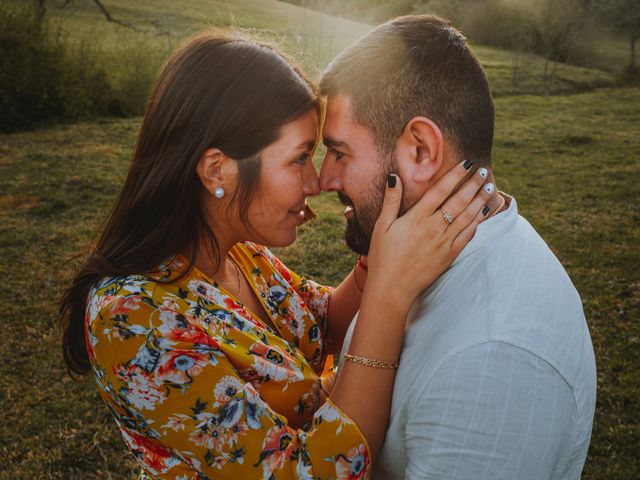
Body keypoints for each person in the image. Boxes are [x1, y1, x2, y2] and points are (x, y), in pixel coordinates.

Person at [58, 32, 497, 479]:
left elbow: (323, 322)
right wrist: (389, 292)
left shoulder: (240, 254)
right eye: (299, 158)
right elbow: (309, 472)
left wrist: (386, 241)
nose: (316, 182)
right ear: (217, 170)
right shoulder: (132, 319)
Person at [319, 15, 597, 480]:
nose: (324, 179)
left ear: (421, 151)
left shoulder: (495, 355)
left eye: (340, 153)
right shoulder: (412, 265)